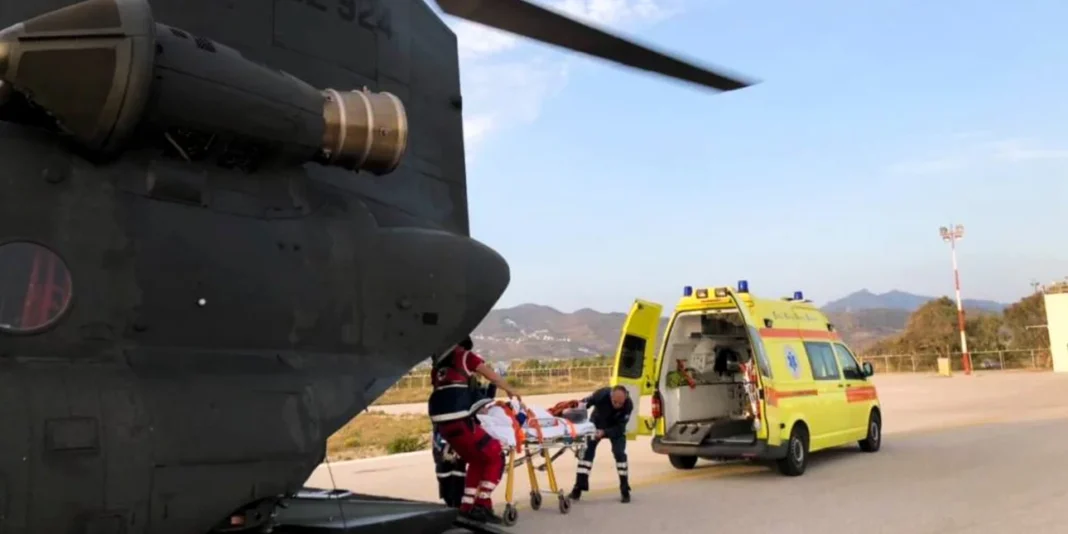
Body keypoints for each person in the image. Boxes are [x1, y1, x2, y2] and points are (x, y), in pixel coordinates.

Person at [427, 336, 520, 524]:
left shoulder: (438, 367)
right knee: (495, 454)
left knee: (477, 459)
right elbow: (491, 376)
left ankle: (467, 506)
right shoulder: (465, 356)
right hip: (460, 421)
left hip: (443, 426)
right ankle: (482, 504)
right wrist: (511, 390)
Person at [432, 371, 500, 508]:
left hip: (444, 436)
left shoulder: (441, 389)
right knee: (457, 470)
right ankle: (467, 504)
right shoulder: (465, 389)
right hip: (457, 437)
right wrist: (493, 386)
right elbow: (481, 405)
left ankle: (457, 504)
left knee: (449, 472)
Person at [569, 385, 634, 503]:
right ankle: (578, 488)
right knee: (586, 454)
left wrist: (605, 432)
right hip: (597, 424)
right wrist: (574, 410)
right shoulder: (602, 394)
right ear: (610, 396)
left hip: (615, 429)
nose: (617, 405)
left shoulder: (628, 405)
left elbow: (620, 428)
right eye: (615, 402)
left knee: (620, 454)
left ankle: (625, 489)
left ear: (625, 399)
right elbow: (584, 403)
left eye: (620, 403)